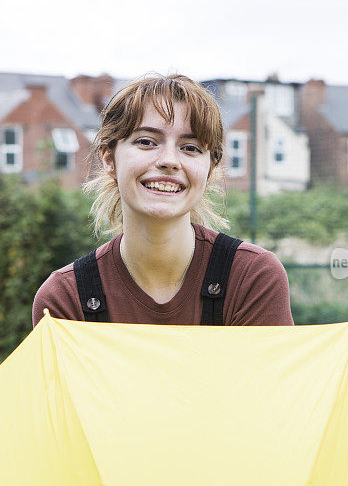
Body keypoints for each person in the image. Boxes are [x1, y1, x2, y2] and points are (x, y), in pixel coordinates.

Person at [32, 74, 293, 327]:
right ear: (109, 159)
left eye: (190, 147)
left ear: (211, 167)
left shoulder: (252, 278)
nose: (169, 160)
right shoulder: (65, 298)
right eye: (146, 142)